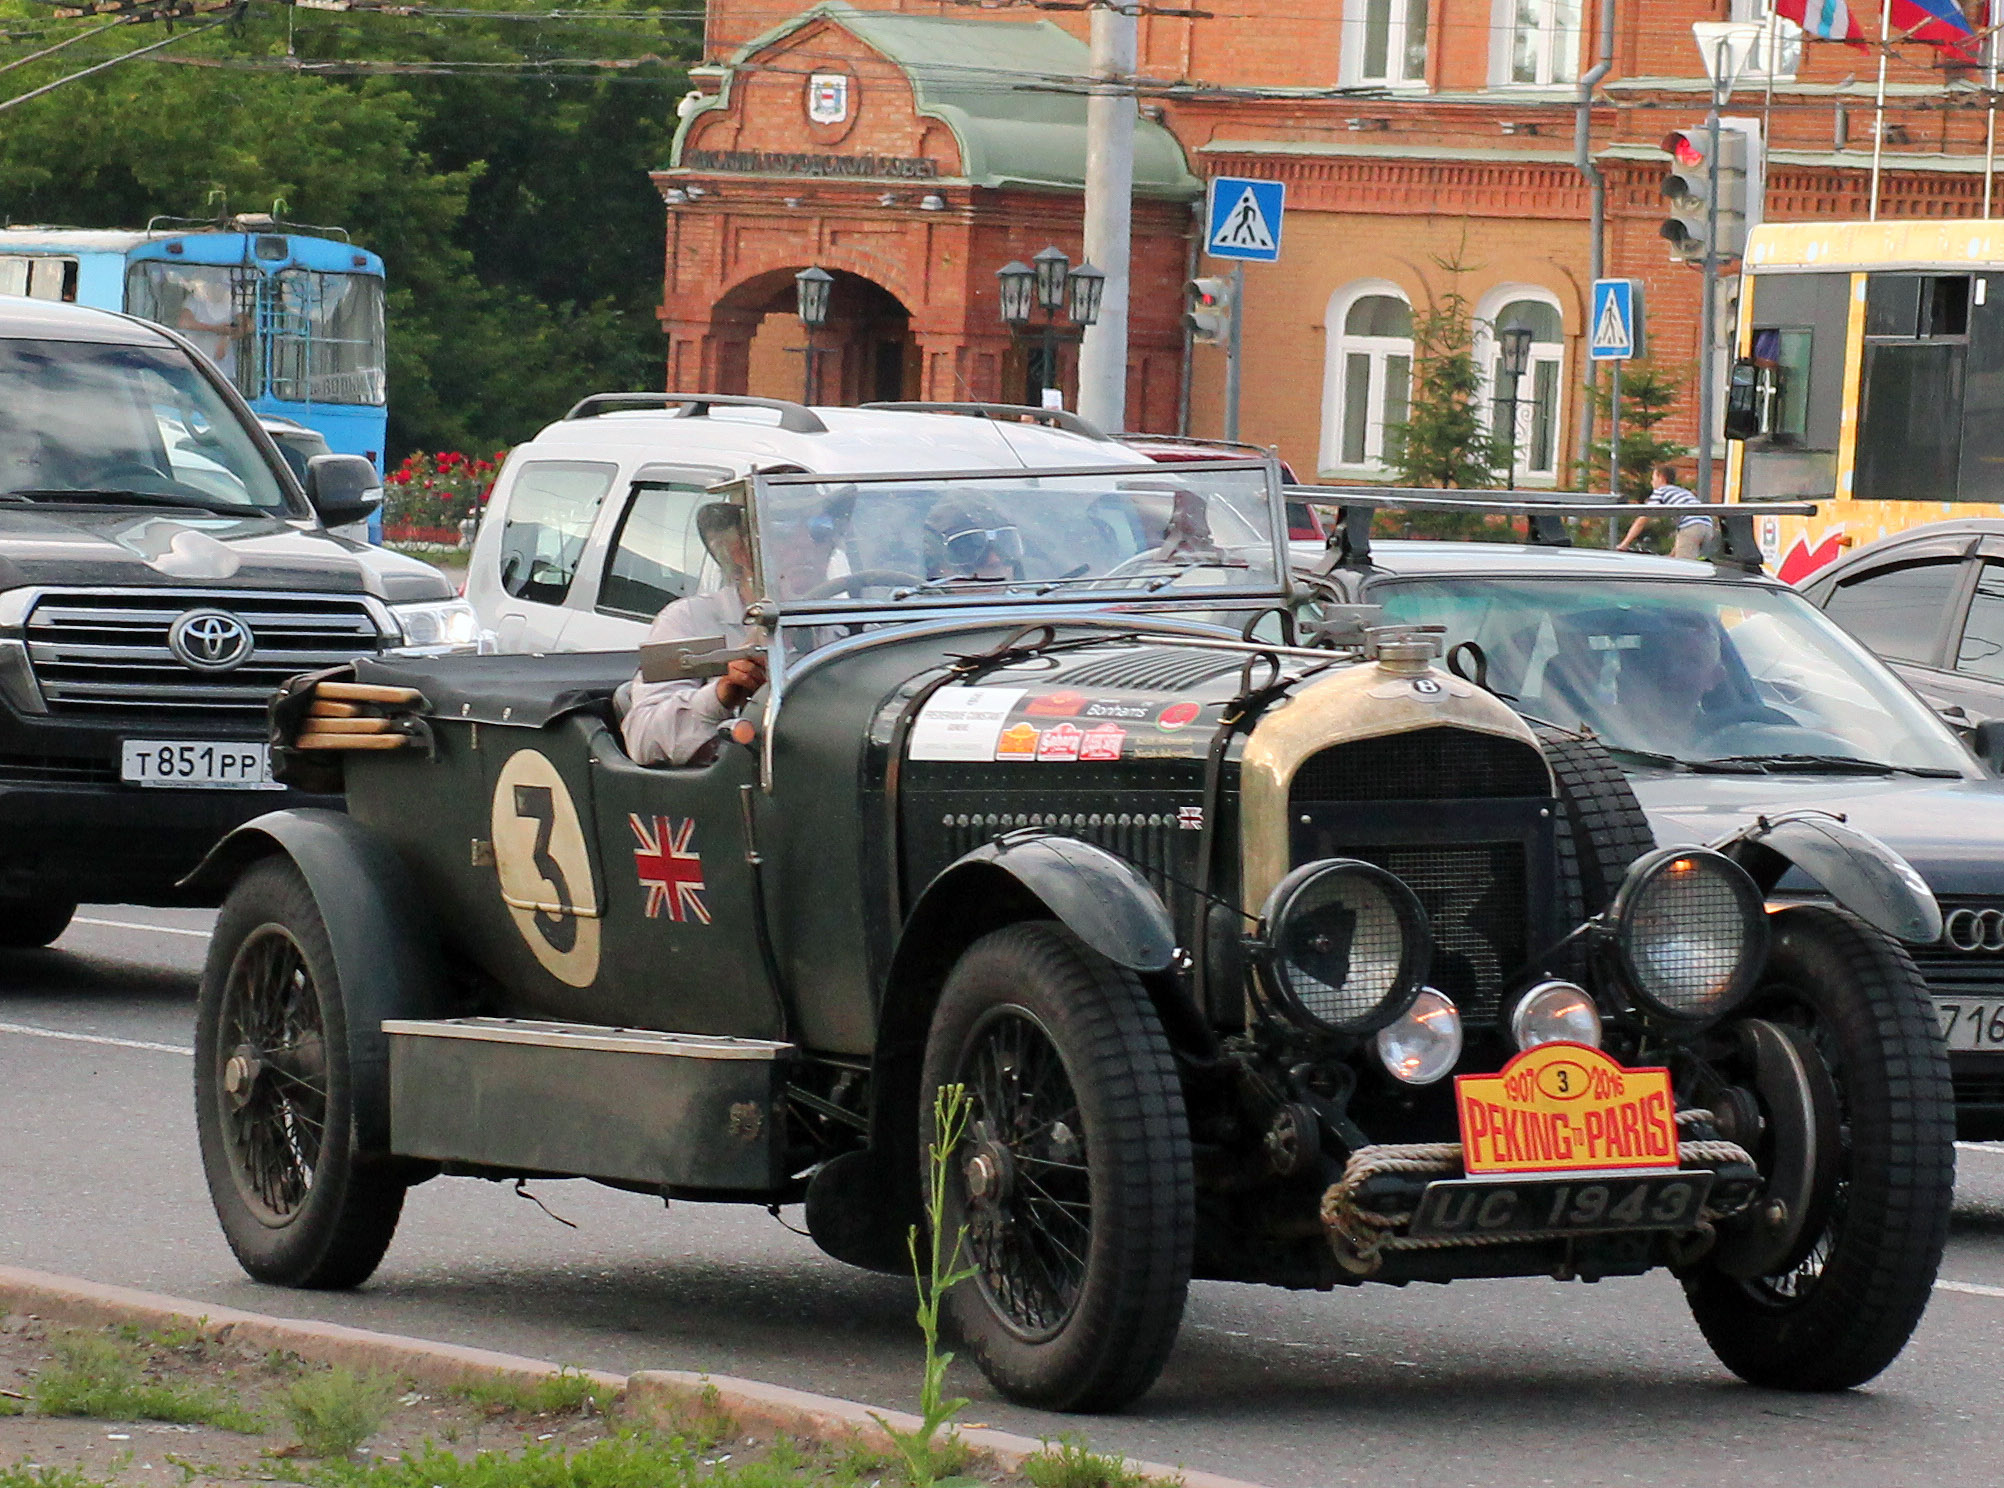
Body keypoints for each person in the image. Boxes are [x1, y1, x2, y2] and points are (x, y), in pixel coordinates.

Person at [622, 502, 768, 767]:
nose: (806, 545)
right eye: (781, 531)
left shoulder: (848, 624)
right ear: (740, 550)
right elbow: (643, 737)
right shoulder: (689, 619)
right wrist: (721, 695)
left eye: (822, 531)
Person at [1617, 463, 1713, 561]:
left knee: (1684, 566)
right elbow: (1684, 532)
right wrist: (1673, 554)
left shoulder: (1661, 491)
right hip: (1707, 526)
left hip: (1691, 526)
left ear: (1661, 477)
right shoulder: (1683, 492)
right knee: (1693, 560)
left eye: (1653, 478)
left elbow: (1643, 519)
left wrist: (1625, 543)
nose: (1651, 482)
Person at [923, 493, 1023, 582]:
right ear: (935, 566)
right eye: (969, 547)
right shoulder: (911, 599)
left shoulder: (1034, 595)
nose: (995, 560)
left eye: (1006, 542)